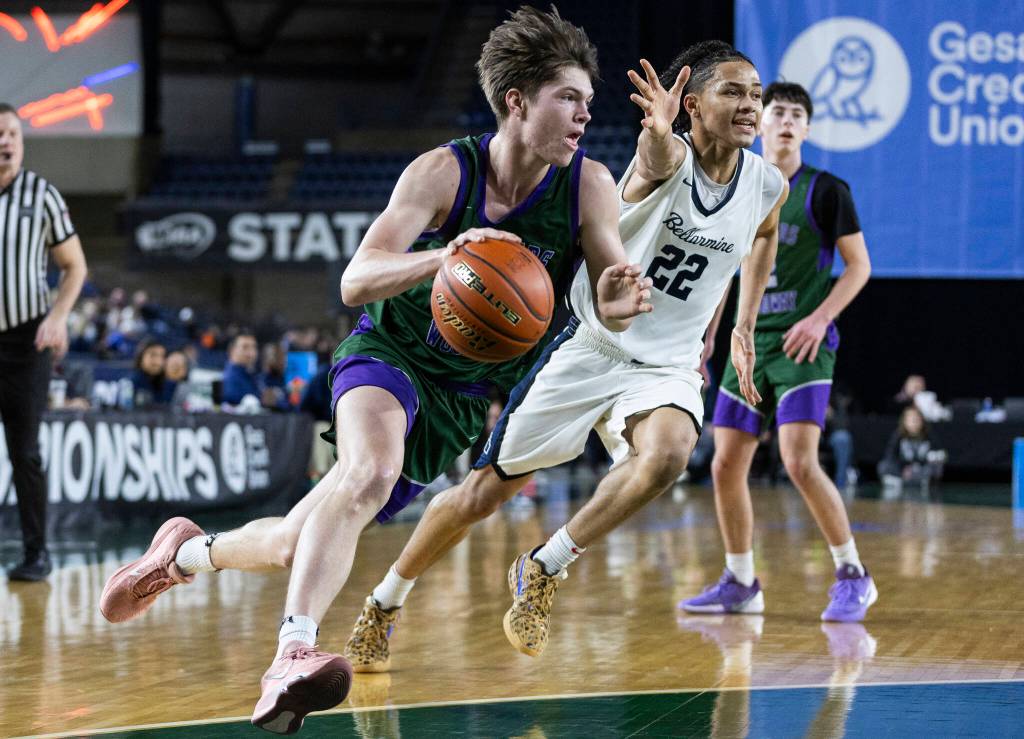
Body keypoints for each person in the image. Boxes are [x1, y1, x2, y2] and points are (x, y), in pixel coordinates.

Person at [98, 7, 650, 733]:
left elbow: (611, 286)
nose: (584, 112)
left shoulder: (589, 186)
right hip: (388, 354)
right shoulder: (444, 170)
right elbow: (356, 279)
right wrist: (446, 255)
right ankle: (291, 652)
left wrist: (617, 295)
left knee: (304, 539)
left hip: (463, 393)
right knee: (367, 474)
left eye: (586, 98)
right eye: (567, 97)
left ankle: (184, 554)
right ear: (517, 100)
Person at [343, 40, 787, 669]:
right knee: (480, 497)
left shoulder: (768, 185)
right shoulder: (665, 156)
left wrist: (740, 321)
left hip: (665, 364)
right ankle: (385, 601)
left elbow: (761, 236)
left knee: (666, 457)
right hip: (587, 342)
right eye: (733, 92)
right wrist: (659, 134)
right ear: (690, 105)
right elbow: (654, 159)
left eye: (756, 95)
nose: (750, 105)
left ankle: (544, 565)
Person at [680, 81, 874, 622]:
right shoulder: (738, 188)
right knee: (724, 465)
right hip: (749, 342)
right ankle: (741, 581)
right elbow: (724, 272)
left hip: (800, 344)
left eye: (796, 114)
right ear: (761, 123)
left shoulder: (826, 190)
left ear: (806, 129)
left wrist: (819, 318)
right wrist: (709, 335)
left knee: (798, 461)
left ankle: (853, 573)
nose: (786, 121)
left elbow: (859, 266)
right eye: (778, 112)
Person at [0, 102, 87, 581]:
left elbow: (75, 266)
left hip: (25, 341)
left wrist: (57, 317)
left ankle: (37, 553)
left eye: (12, 132)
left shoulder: (42, 194)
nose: (5, 140)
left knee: (24, 451)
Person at [877, 405, 943, 490]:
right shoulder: (898, 435)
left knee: (936, 467)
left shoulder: (929, 435)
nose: (914, 423)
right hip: (902, 470)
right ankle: (901, 482)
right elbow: (890, 455)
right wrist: (902, 469)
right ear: (904, 422)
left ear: (922, 421)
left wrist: (918, 468)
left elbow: (938, 454)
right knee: (883, 466)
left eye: (917, 420)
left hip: (921, 470)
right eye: (911, 420)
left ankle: (920, 482)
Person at [220, 332, 261, 406]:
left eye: (254, 347)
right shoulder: (230, 379)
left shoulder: (252, 376)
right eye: (245, 347)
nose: (251, 352)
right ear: (232, 350)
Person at [129, 339, 172, 408]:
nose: (158, 362)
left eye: (162, 356)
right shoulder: (130, 382)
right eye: (153, 355)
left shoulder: (169, 384)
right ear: (141, 356)